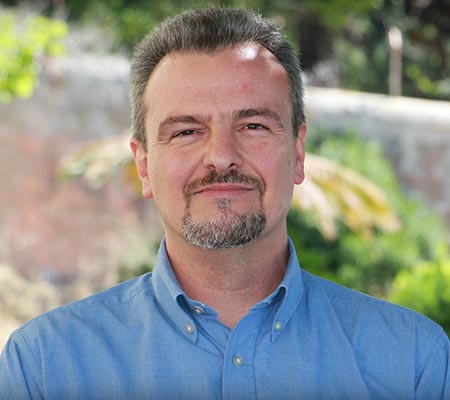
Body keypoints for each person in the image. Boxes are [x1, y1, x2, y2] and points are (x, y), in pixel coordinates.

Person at [1, 7, 449, 399]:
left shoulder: (414, 363)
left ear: (297, 153)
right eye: (186, 131)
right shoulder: (43, 369)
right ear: (144, 165)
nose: (221, 156)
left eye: (253, 126)